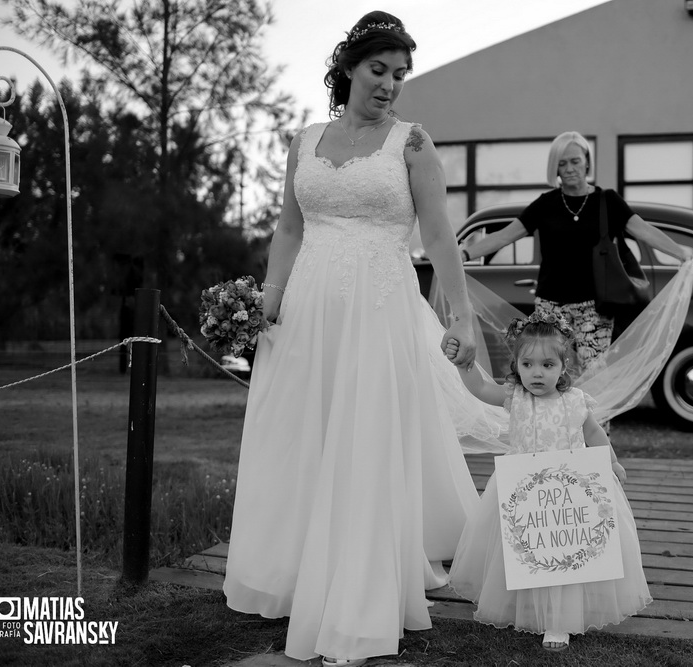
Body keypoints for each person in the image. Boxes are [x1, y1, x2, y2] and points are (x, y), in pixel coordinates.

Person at [222, 12, 480, 666]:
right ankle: (298, 571)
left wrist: (461, 315)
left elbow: (441, 234)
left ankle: (361, 590)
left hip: (377, 307)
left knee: (363, 439)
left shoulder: (413, 144)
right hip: (307, 310)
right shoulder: (304, 140)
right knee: (303, 434)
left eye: (400, 74)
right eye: (379, 70)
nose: (391, 84)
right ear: (347, 69)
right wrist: (267, 301)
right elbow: (288, 229)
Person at [445, 313, 651, 652]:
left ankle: (559, 621)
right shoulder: (515, 397)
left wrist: (611, 461)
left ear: (563, 365)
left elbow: (594, 433)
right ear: (516, 365)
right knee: (527, 549)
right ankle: (524, 604)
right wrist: (463, 365)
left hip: (568, 493)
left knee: (563, 553)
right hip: (526, 491)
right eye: (527, 364)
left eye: (547, 364)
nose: (536, 373)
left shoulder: (575, 401)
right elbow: (480, 389)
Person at [458, 131, 692, 372]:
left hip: (595, 308)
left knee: (593, 374)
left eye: (575, 161)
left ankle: (590, 412)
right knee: (552, 372)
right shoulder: (545, 204)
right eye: (562, 163)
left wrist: (679, 252)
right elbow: (504, 236)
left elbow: (644, 230)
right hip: (550, 307)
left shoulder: (607, 201)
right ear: (555, 169)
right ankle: (556, 412)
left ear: (587, 162)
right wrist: (464, 255)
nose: (569, 168)